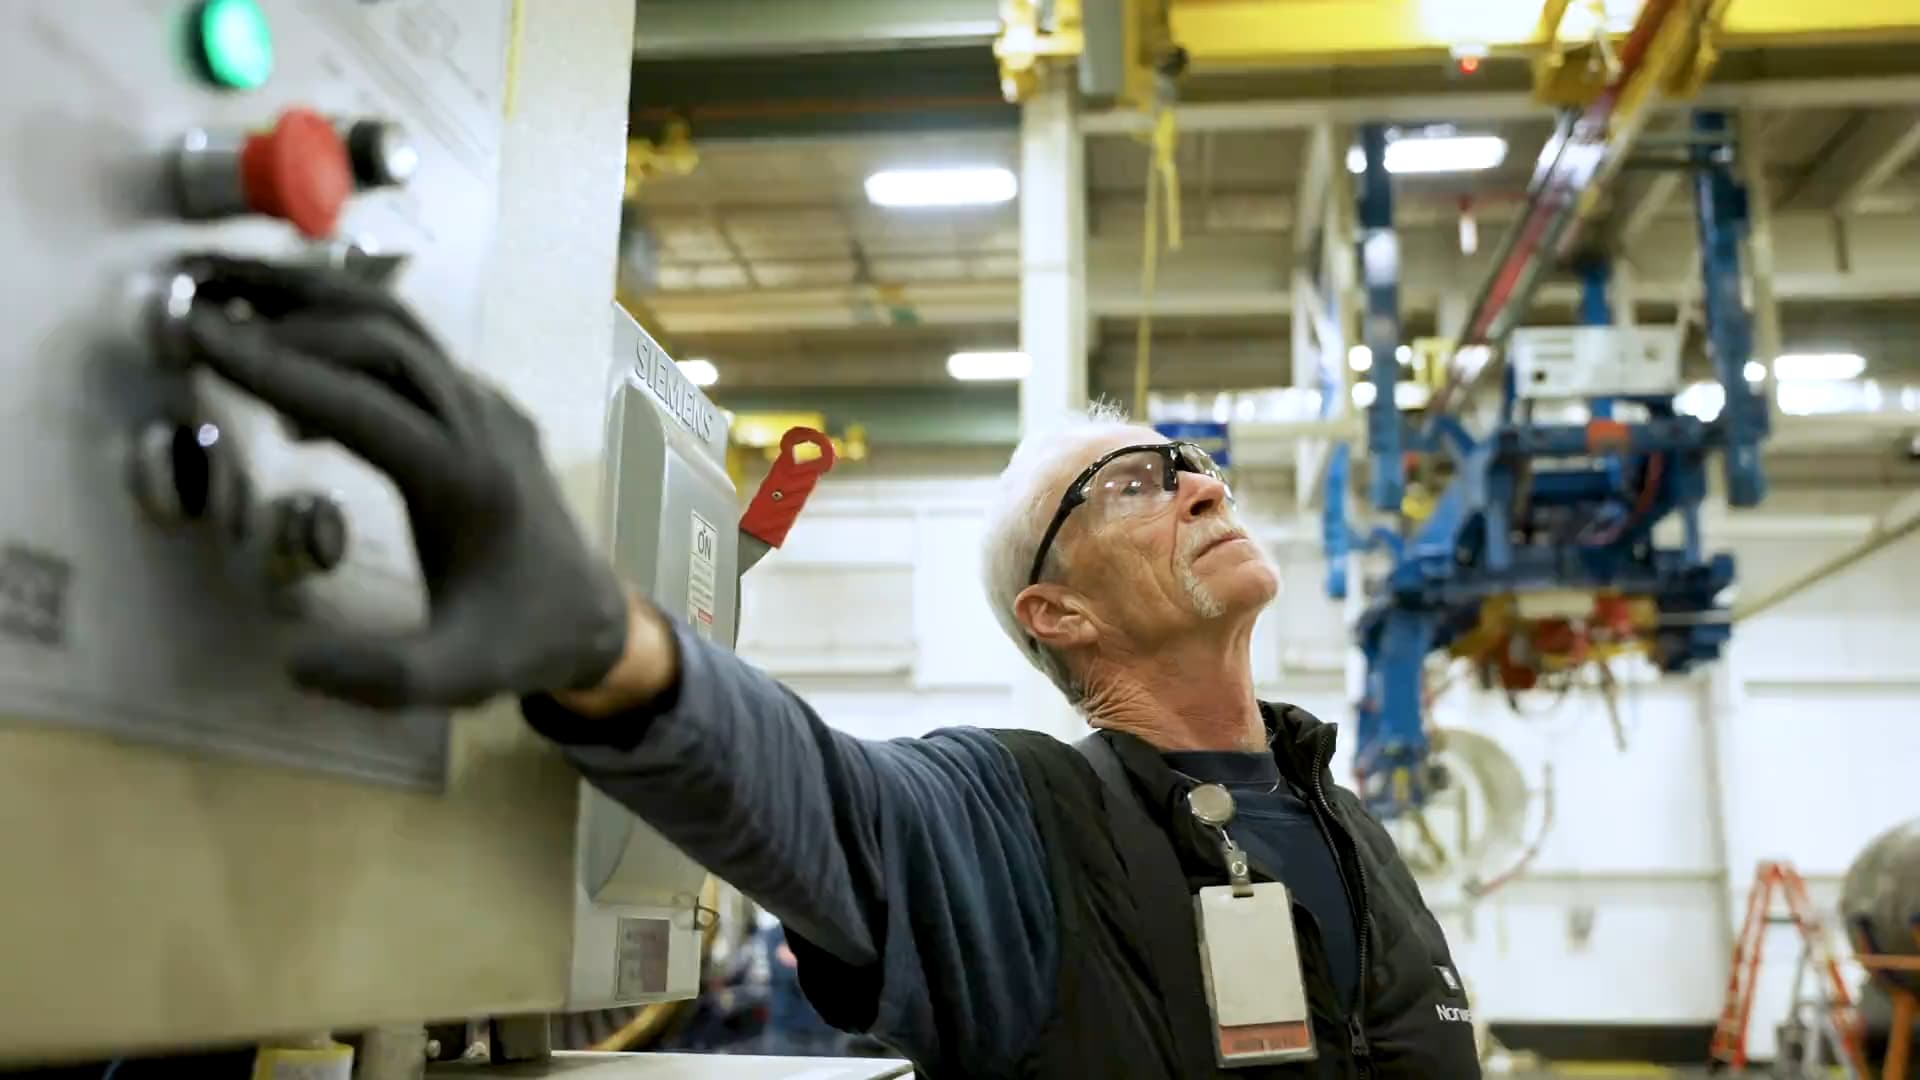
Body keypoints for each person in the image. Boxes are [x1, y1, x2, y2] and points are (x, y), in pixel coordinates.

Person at [172, 256, 1481, 1079]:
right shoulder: (1020, 820)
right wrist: (610, 644)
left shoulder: (1343, 820)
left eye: (1195, 466)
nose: (1199, 486)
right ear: (1057, 612)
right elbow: (832, 802)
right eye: (1136, 481)